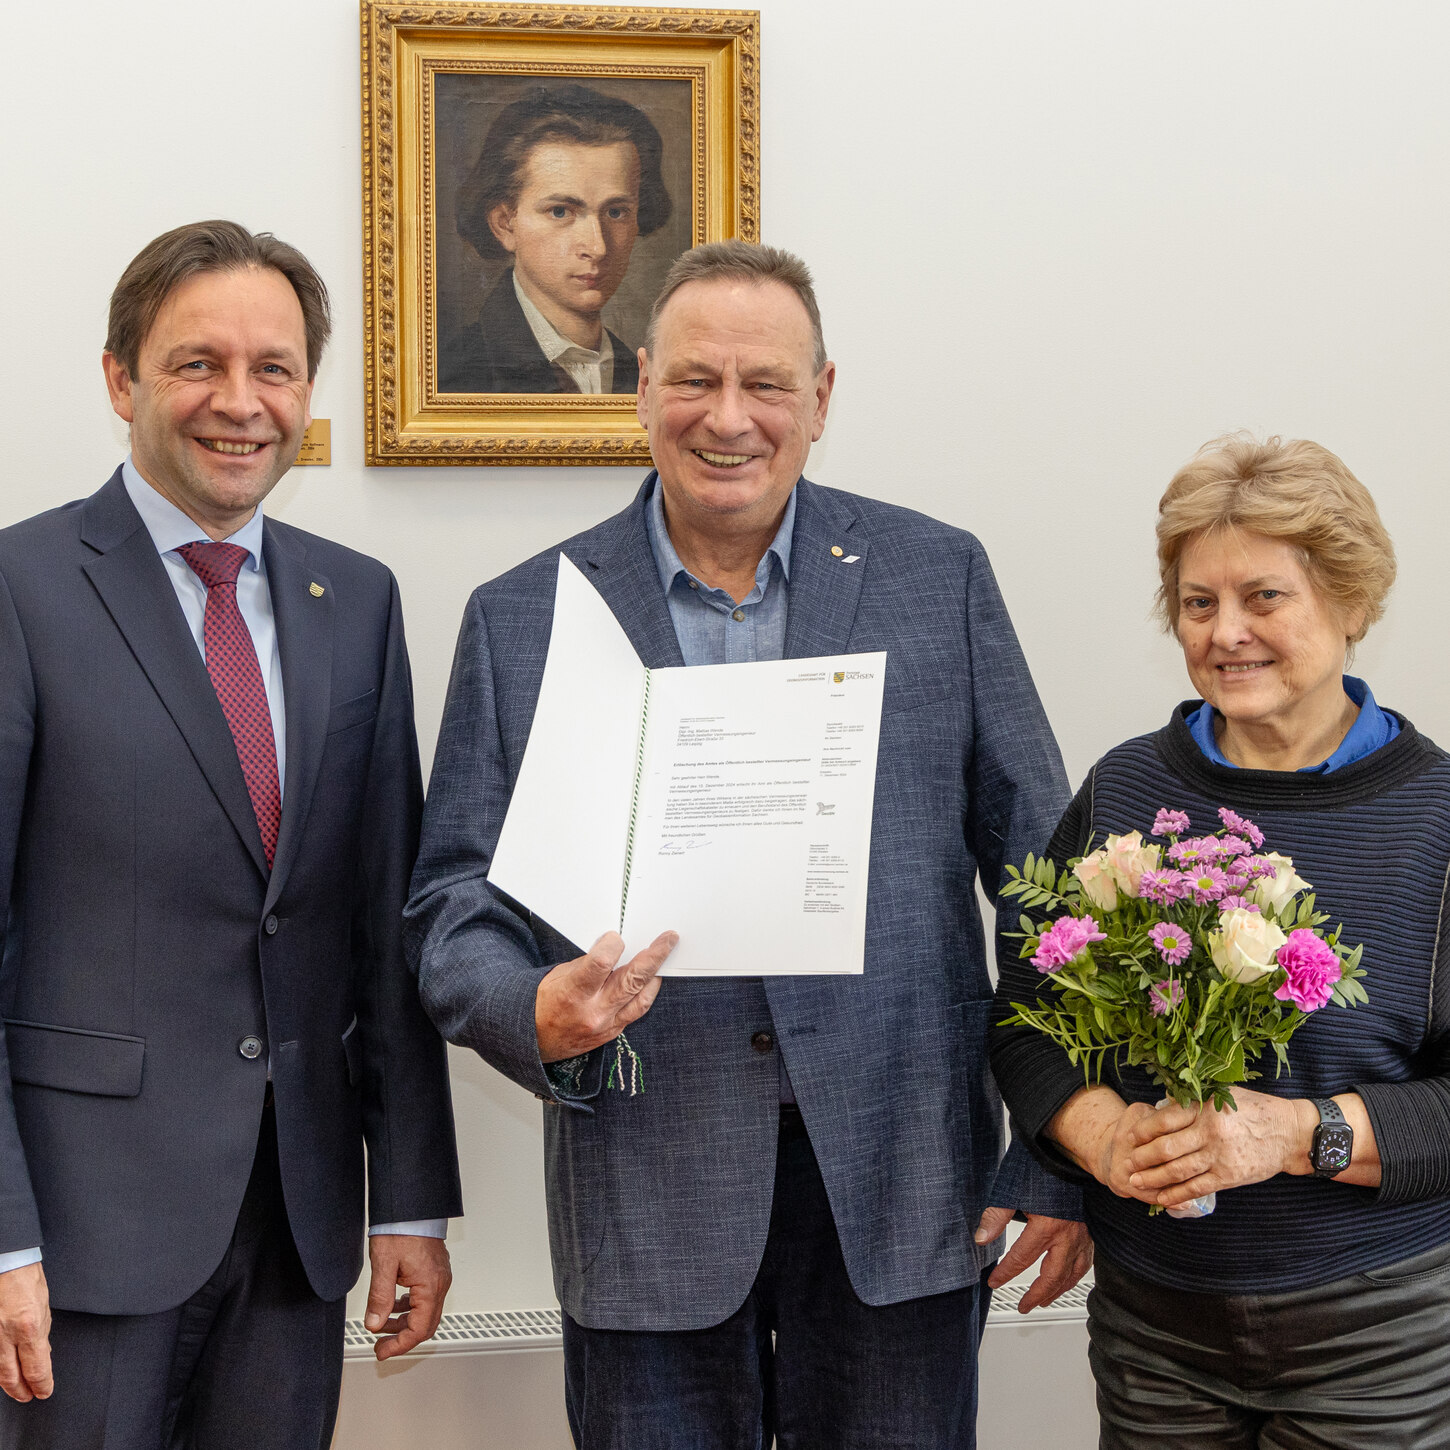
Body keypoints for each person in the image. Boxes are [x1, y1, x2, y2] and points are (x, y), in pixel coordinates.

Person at [408, 239, 1090, 1449]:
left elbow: (1049, 887)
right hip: (645, 1184)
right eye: (694, 379)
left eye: (766, 384)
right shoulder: (524, 617)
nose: (729, 418)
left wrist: (1056, 1149)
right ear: (640, 391)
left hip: (902, 1186)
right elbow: (454, 899)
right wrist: (535, 1009)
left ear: (820, 399)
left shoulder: (939, 578)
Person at [0, 220, 463, 1448]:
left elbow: (383, 924)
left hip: (296, 1226)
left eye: (274, 368)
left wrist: (409, 1198)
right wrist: (1, 1234)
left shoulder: (353, 599)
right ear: (121, 379)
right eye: (196, 362)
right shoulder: (20, 589)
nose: (239, 402)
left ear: (308, 392)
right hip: (79, 1235)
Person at [990, 434, 1450, 1447]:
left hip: (1377, 1334)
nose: (1225, 631)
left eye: (1263, 597)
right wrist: (1098, 1133)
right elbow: (1026, 1022)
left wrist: (1293, 1135)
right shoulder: (1124, 793)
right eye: (1198, 603)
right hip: (1153, 1323)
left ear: (1351, 601)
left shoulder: (1437, 817)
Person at [440, 84, 673, 395]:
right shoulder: (457, 376)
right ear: (505, 224)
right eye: (561, 212)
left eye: (616, 212)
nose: (597, 247)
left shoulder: (640, 375)